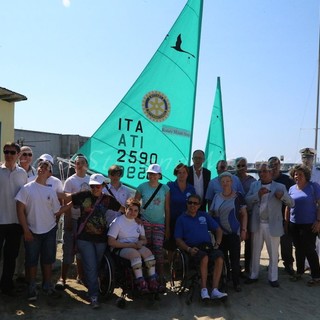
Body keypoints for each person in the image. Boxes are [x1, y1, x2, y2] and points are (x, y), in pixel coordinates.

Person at [62, 173, 123, 309]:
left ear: (103, 186)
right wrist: (54, 208)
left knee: (97, 265)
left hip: (101, 239)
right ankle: (94, 296)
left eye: (98, 186)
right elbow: (68, 200)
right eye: (93, 186)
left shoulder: (108, 199)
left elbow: (123, 209)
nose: (95, 188)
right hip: (85, 238)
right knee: (90, 266)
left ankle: (97, 289)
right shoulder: (83, 195)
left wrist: (135, 217)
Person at [16, 160, 72, 301]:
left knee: (48, 260)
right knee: (31, 261)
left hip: (49, 231)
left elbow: (57, 211)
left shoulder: (51, 191)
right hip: (32, 231)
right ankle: (32, 287)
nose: (42, 168)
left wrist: (72, 203)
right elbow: (20, 210)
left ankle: (47, 286)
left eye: (46, 167)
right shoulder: (26, 188)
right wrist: (26, 230)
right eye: (41, 166)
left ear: (49, 173)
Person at [245, 162, 294, 287]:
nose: (262, 174)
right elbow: (247, 201)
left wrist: (282, 196)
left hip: (273, 224)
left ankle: (273, 278)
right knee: (255, 251)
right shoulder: (254, 185)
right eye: (260, 172)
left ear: (271, 173)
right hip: (257, 223)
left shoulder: (280, 186)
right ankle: (253, 275)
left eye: (265, 171)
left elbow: (291, 203)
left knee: (273, 252)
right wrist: (258, 195)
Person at [175, 194, 228, 301]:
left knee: (219, 257)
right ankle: (204, 289)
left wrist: (217, 244)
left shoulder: (204, 215)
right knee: (204, 257)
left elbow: (218, 230)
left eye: (195, 203)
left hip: (207, 246)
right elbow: (178, 239)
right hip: (193, 248)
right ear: (187, 204)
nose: (192, 205)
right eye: (190, 202)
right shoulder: (181, 219)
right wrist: (188, 249)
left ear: (199, 205)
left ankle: (214, 290)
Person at [108, 198, 160, 293]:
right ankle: (140, 282)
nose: (133, 212)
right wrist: (130, 245)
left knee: (148, 252)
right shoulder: (118, 222)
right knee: (134, 254)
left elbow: (144, 239)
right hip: (120, 247)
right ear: (126, 209)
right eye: (130, 209)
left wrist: (141, 242)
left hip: (135, 245)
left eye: (136, 210)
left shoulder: (138, 222)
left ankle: (152, 280)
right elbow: (111, 242)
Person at [55, 154, 90, 290]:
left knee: (81, 250)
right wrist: (68, 219)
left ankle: (80, 276)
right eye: (76, 163)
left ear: (86, 165)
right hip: (73, 219)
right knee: (68, 249)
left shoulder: (89, 180)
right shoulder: (70, 181)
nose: (79, 165)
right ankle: (62, 278)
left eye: (82, 162)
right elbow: (66, 201)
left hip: (85, 221)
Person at [210, 172, 248, 292]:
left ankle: (236, 283)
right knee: (222, 259)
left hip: (234, 233)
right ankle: (225, 281)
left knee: (235, 259)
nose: (225, 183)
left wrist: (243, 230)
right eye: (223, 181)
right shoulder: (216, 196)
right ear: (220, 183)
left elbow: (244, 214)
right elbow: (211, 213)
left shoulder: (238, 196)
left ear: (232, 182)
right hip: (220, 234)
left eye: (228, 181)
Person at [135, 164, 170, 287]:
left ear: (159, 175)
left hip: (159, 222)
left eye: (155, 174)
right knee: (147, 248)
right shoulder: (142, 187)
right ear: (148, 174)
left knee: (158, 249)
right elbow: (135, 203)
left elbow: (167, 208)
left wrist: (167, 227)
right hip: (145, 221)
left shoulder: (165, 189)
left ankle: (160, 275)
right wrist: (137, 218)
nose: (153, 176)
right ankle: (148, 275)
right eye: (151, 174)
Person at [0, 142, 28, 296]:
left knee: (11, 256)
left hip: (16, 222)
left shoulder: (23, 174)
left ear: (18, 155)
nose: (8, 155)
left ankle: (6, 286)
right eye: (6, 152)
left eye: (12, 152)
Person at [285, 164, 320, 285]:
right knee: (298, 249)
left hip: (309, 224)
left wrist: (318, 221)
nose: (297, 176)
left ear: (306, 175)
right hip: (294, 223)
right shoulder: (292, 189)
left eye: (300, 174)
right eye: (295, 174)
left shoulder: (313, 186)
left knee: (310, 249)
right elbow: (288, 207)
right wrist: (287, 222)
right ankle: (299, 272)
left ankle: (316, 276)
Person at [268, 156, 295, 275]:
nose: (274, 167)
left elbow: (291, 200)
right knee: (270, 244)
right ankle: (273, 263)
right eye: (271, 165)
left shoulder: (287, 179)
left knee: (286, 243)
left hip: (284, 217)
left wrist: (282, 197)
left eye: (276, 165)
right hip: (269, 218)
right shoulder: (265, 179)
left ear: (280, 166)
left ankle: (288, 264)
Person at [15, 146, 37, 282]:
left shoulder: (35, 174)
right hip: (12, 215)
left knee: (24, 248)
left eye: (29, 154)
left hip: (28, 216)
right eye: (24, 154)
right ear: (18, 155)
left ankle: (20, 274)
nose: (27, 157)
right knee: (10, 248)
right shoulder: (12, 170)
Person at [234, 156, 256, 275]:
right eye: (239, 166)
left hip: (250, 215)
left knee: (249, 243)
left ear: (247, 167)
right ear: (235, 167)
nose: (241, 168)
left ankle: (248, 268)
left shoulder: (253, 181)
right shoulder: (232, 179)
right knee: (236, 242)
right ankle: (237, 268)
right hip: (236, 216)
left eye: (243, 165)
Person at [167, 163, 195, 251]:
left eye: (184, 172)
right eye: (179, 172)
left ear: (187, 174)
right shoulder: (170, 186)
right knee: (171, 246)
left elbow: (194, 205)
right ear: (176, 174)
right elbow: (166, 206)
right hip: (172, 220)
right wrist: (167, 226)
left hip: (186, 221)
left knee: (185, 245)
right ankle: (171, 264)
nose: (182, 175)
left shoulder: (191, 188)